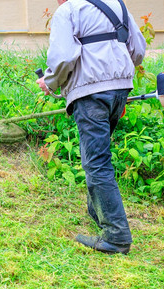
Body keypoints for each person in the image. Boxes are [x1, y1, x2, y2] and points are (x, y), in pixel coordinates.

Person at [37, 0, 146, 254]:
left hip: (91, 93)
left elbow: (63, 57)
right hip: (119, 91)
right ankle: (98, 214)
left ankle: (116, 237)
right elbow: (138, 50)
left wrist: (50, 82)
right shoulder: (119, 6)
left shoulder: (69, 10)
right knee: (97, 156)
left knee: (96, 162)